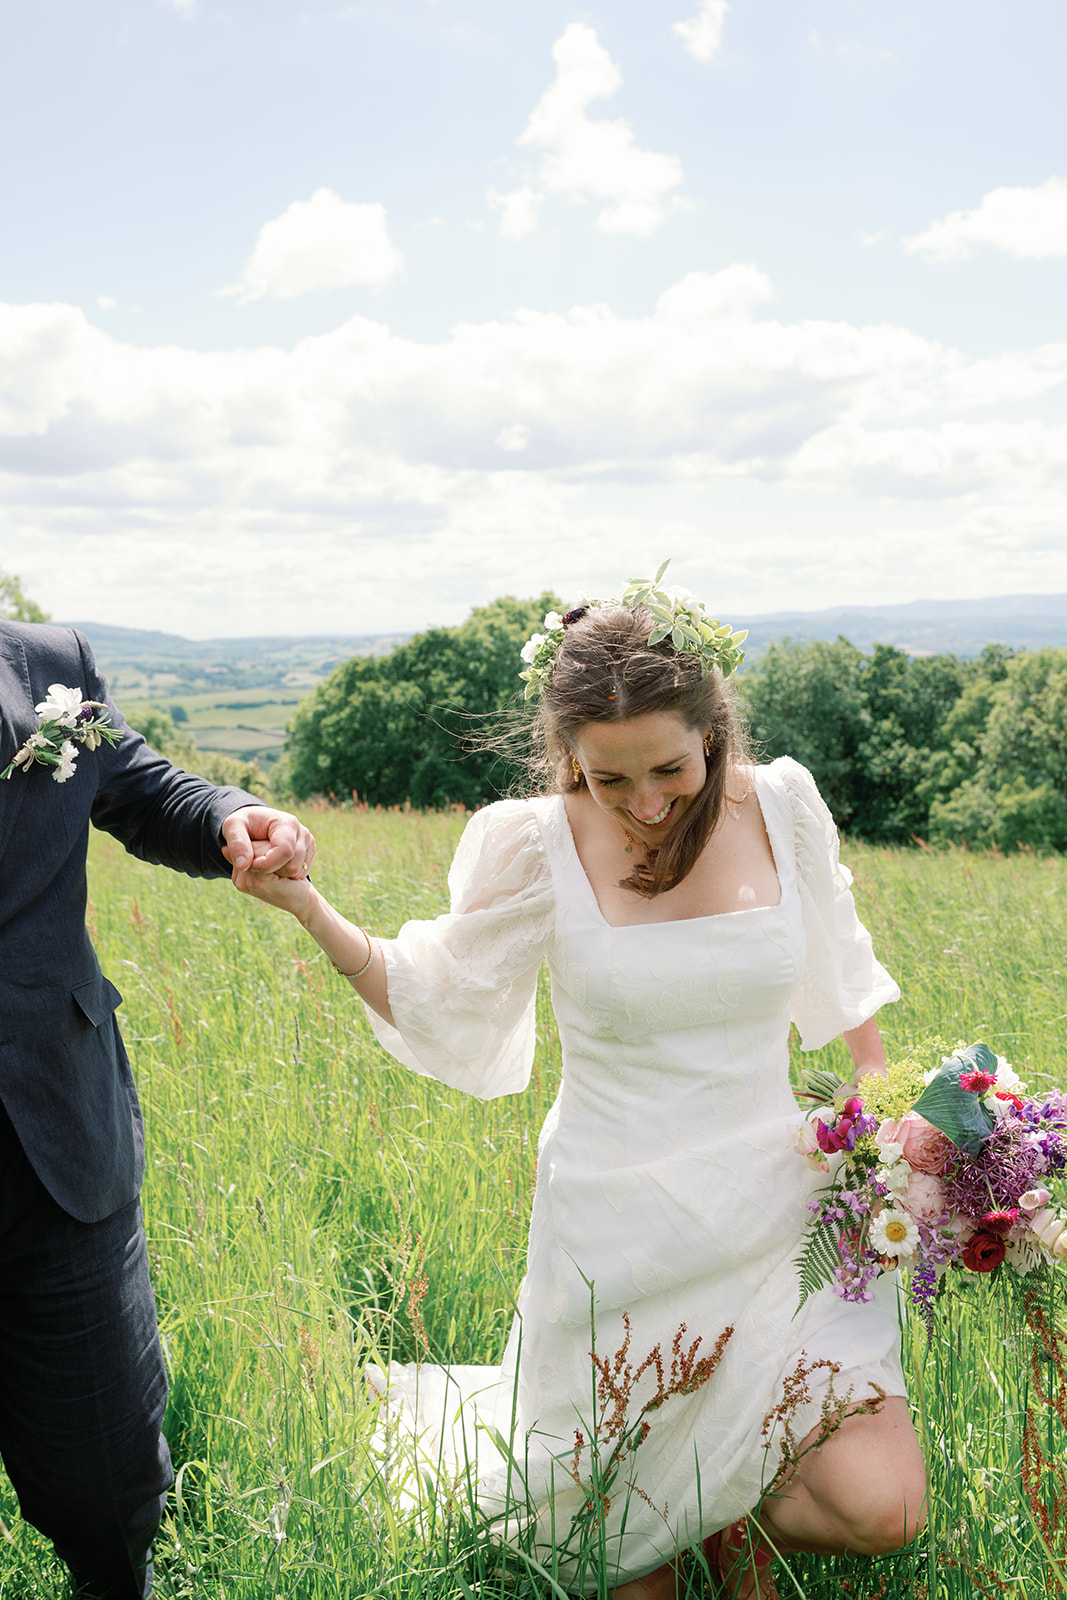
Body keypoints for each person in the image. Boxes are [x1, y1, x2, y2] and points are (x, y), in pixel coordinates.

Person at [232, 579, 927, 1599]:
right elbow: (438, 993)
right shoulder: (535, 842)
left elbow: (842, 988)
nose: (644, 803)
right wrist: (305, 906)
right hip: (616, 1239)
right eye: (609, 778)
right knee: (620, 1574)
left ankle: (724, 1509)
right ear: (568, 756)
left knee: (882, 1508)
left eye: (669, 768)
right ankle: (690, 1511)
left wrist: (890, 1129)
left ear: (713, 730)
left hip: (783, 1222)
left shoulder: (781, 805)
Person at [0, 618, 315, 1600]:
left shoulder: (49, 665)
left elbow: (143, 789)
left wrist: (233, 810)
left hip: (55, 1142)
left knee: (110, 1479)